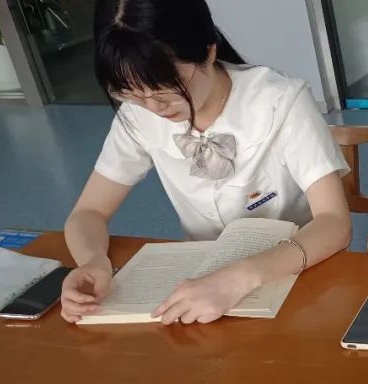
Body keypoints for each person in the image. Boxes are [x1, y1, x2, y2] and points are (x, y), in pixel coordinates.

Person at [60, 0, 351, 325]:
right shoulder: (138, 114)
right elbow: (88, 213)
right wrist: (93, 262)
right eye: (130, 92)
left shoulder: (279, 101)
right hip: (201, 288)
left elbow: (334, 224)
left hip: (294, 274)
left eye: (166, 86)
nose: (154, 107)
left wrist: (238, 278)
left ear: (208, 51)